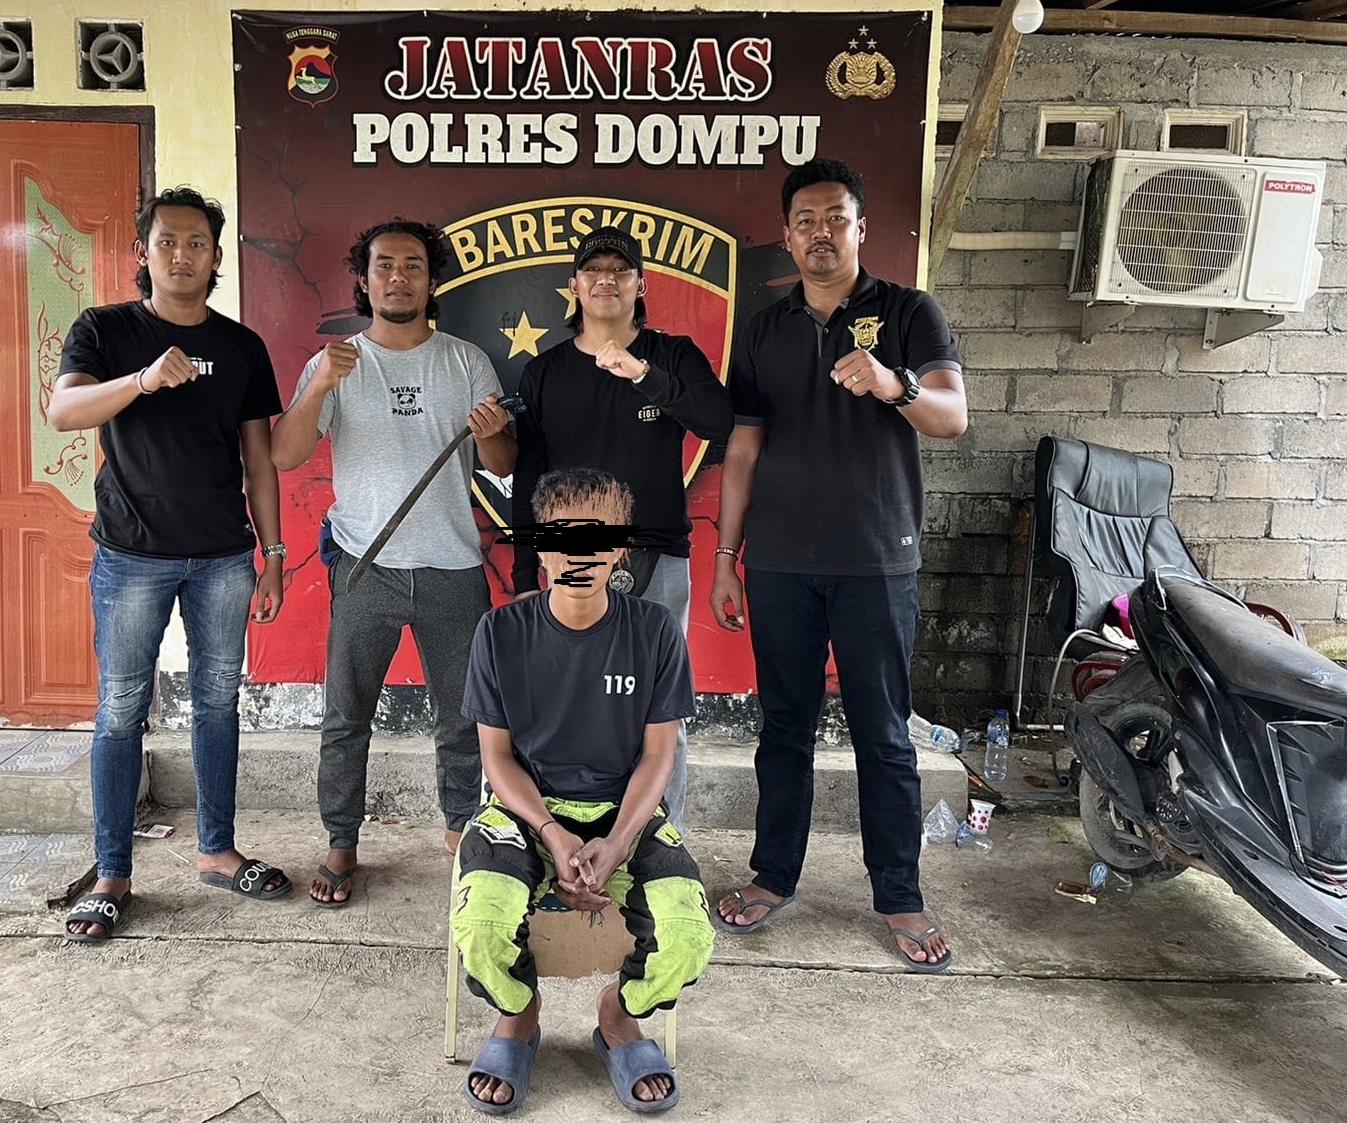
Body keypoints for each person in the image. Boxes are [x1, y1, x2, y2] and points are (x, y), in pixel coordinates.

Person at [709, 157, 968, 971]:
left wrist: (894, 385)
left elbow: (952, 416)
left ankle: (900, 894)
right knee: (782, 728)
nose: (820, 233)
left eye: (835, 218)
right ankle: (772, 876)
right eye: (805, 221)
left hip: (876, 560)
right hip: (780, 561)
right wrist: (726, 557)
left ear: (861, 229)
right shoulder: (764, 327)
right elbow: (742, 448)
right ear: (787, 237)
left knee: (883, 734)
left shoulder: (909, 311)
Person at [50, 185, 290, 944]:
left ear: (216, 258)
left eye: (197, 243)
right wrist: (143, 380)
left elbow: (260, 461)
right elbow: (63, 412)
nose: (181, 254)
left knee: (218, 703)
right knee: (122, 708)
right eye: (167, 241)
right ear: (143, 252)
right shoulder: (105, 329)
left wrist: (273, 555)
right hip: (131, 555)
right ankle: (112, 874)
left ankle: (217, 851)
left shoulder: (243, 346)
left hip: (223, 556)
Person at [452, 468, 713, 1115]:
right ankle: (519, 1013)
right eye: (563, 536)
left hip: (624, 815)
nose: (580, 553)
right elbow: (496, 757)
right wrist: (552, 832)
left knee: (687, 935)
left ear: (621, 547)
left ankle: (619, 1016)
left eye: (598, 536)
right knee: (480, 927)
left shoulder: (654, 631)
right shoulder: (500, 633)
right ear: (540, 547)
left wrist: (617, 843)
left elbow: (659, 755)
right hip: (526, 813)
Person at [273, 219, 516, 907]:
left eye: (413, 265)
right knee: (346, 716)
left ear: (432, 280)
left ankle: (461, 833)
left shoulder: (465, 361)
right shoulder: (336, 362)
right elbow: (286, 454)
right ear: (364, 278)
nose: (398, 277)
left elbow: (504, 466)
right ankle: (341, 843)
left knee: (464, 716)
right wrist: (318, 386)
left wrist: (494, 435)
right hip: (365, 567)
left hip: (452, 567)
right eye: (384, 265)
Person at [509, 226, 733, 834]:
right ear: (574, 286)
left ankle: (661, 840)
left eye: (620, 269)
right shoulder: (545, 371)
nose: (606, 279)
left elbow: (718, 421)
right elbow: (529, 475)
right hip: (569, 560)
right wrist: (525, 571)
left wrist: (643, 375)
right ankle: (572, 836)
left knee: (659, 713)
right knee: (570, 704)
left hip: (656, 556)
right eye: (593, 270)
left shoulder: (672, 355)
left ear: (641, 284)